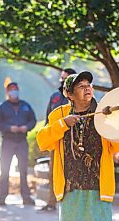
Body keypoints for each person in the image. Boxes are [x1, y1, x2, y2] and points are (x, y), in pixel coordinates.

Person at [36, 71, 119, 221]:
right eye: (81, 86)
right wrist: (63, 124)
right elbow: (43, 141)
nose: (88, 88)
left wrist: (117, 124)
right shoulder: (59, 114)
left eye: (89, 85)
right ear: (69, 93)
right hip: (70, 186)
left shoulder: (103, 112)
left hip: (98, 186)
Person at [40, 68, 76, 212]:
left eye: (66, 78)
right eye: (62, 77)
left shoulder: (77, 98)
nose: (62, 80)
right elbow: (48, 119)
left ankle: (69, 204)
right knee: (53, 173)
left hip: (72, 142)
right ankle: (51, 202)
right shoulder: (55, 97)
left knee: (71, 173)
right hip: (56, 140)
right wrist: (45, 139)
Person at [0, 82, 37, 206]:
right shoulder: (3, 107)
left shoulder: (25, 106)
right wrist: (9, 128)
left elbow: (32, 120)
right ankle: (2, 197)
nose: (14, 92)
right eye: (11, 90)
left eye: (16, 90)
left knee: (23, 171)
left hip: (22, 141)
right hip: (8, 141)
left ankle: (26, 197)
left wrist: (26, 127)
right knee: (4, 170)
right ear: (7, 92)